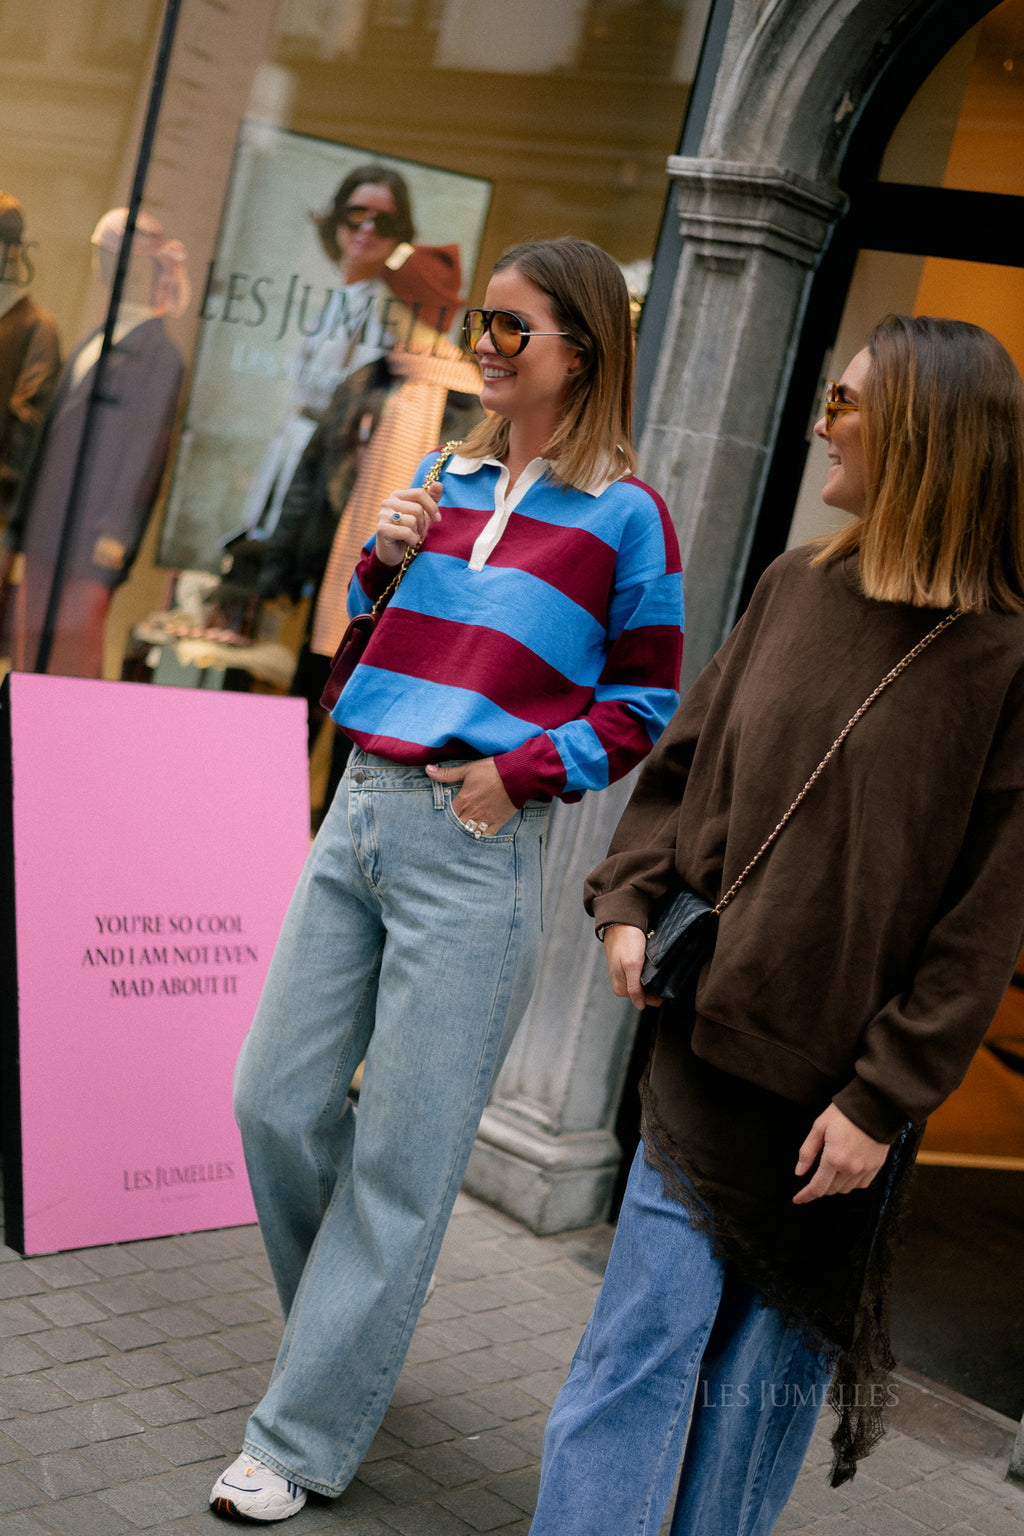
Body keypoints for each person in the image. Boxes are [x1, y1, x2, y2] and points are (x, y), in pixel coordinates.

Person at [209, 236, 685, 1523]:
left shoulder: (626, 516)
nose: (485, 341)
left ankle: (299, 1438)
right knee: (273, 1100)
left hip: (472, 848)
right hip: (359, 806)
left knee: (403, 1165)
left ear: (579, 351)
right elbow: (374, 628)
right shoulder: (443, 471)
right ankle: (343, 1342)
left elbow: (646, 700)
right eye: (485, 320)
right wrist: (383, 558)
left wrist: (518, 775)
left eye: (511, 327)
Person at [527, 313, 1024, 1536]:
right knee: (634, 1355)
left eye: (845, 406)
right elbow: (680, 772)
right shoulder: (792, 584)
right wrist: (629, 903)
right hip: (707, 1044)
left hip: (839, 1104)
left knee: (755, 1396)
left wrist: (881, 1098)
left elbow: (984, 919)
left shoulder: (1005, 656)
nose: (822, 429)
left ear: (919, 431)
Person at [7, 207, 188, 676]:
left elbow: (145, 460)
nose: (103, 266)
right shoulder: (99, 335)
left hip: (91, 540)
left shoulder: (159, 356)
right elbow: (52, 438)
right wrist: (21, 523)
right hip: (50, 525)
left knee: (72, 662)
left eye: (111, 256)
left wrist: (113, 541)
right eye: (101, 255)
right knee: (29, 657)